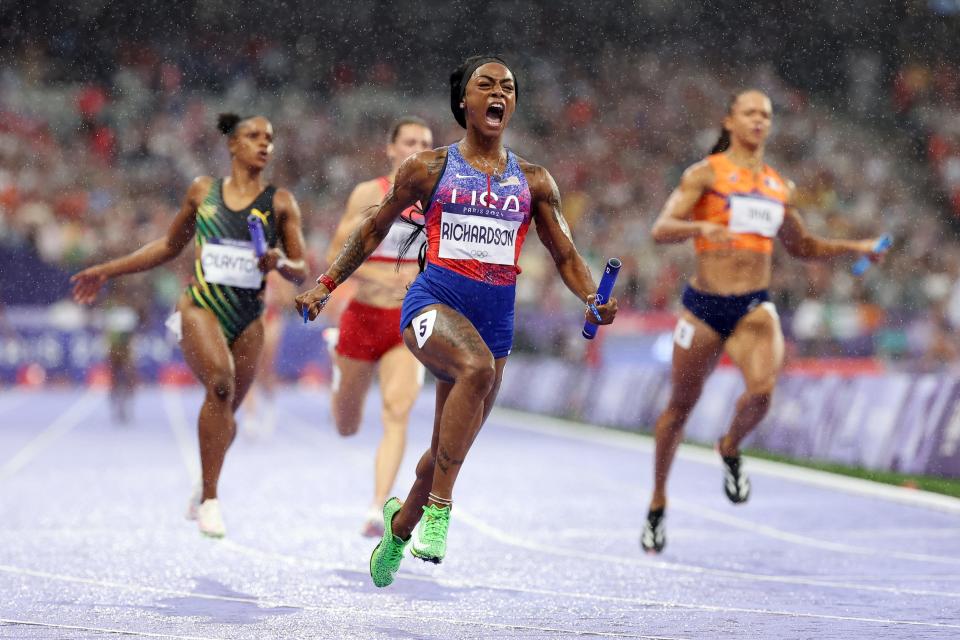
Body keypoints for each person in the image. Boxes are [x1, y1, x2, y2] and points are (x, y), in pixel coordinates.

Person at [296, 55, 617, 588]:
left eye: (508, 87)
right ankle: (443, 509)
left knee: (444, 449)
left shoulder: (534, 181)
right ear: (464, 102)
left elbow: (564, 253)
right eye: (486, 84)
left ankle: (400, 527)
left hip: (497, 324)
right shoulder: (427, 167)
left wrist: (590, 295)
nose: (499, 92)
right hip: (431, 305)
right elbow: (372, 231)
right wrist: (326, 285)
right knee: (475, 370)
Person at [641, 90, 888, 554]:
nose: (759, 121)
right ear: (730, 120)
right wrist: (701, 228)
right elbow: (660, 230)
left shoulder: (779, 186)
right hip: (704, 307)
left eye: (766, 115)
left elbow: (804, 246)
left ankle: (730, 446)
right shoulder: (705, 173)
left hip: (753, 307)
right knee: (678, 410)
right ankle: (657, 504)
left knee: (762, 393)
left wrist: (858, 248)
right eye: (750, 113)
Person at [72, 113, 307, 538]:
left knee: (228, 413)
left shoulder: (281, 202)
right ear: (232, 146)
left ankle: (203, 483)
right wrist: (108, 270)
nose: (264, 144)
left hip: (248, 316)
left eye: (269, 138)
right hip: (200, 305)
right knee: (220, 382)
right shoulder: (204, 192)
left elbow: (301, 269)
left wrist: (280, 263)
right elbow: (166, 245)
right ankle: (212, 501)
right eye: (253, 136)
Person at [323, 116, 434, 537]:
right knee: (346, 424)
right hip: (363, 317)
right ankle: (338, 365)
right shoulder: (369, 194)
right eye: (409, 140)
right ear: (390, 148)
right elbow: (338, 253)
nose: (417, 147)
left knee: (397, 411)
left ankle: (376, 505)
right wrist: (378, 277)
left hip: (406, 322)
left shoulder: (438, 200)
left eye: (425, 142)